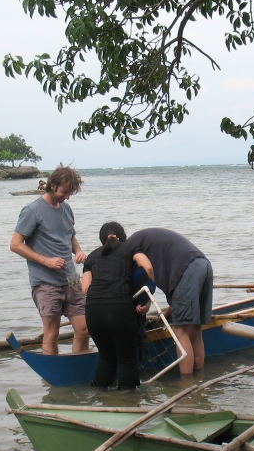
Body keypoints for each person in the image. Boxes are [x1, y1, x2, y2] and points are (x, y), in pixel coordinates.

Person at [9, 165, 89, 354]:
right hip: (45, 282)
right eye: (65, 192)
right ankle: (52, 378)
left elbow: (69, 236)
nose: (67, 197)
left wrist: (77, 251)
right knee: (52, 332)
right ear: (53, 185)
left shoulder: (66, 209)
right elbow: (16, 244)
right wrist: (46, 261)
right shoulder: (32, 210)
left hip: (71, 279)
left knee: (84, 329)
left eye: (70, 193)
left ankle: (78, 366)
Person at [126, 227, 212, 375]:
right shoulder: (143, 240)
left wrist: (146, 304)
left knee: (181, 330)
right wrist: (171, 309)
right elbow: (172, 272)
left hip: (186, 271)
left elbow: (145, 280)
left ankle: (187, 385)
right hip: (203, 265)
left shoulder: (129, 250)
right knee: (195, 329)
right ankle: (199, 377)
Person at [81, 222, 154, 389]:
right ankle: (127, 402)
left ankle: (101, 397)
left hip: (93, 311)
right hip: (119, 308)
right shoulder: (131, 249)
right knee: (127, 359)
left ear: (102, 240)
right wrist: (147, 296)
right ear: (123, 237)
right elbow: (148, 267)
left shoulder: (91, 256)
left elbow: (85, 289)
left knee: (106, 357)